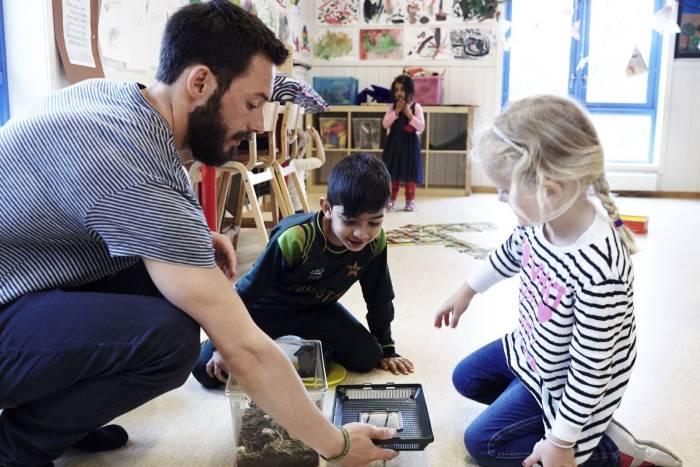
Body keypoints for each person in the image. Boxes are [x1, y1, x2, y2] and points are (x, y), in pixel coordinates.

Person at [0, 2, 399, 466]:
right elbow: (243, 345)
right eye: (252, 104)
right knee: (171, 340)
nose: (256, 124)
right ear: (201, 82)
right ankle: (15, 447)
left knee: (166, 286)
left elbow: (128, 194)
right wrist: (336, 444)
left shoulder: (117, 100)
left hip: (20, 283)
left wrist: (198, 233)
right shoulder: (128, 165)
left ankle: (58, 418)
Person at [434, 95, 682, 467]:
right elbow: (512, 251)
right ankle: (545, 420)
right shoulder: (542, 220)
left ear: (550, 188)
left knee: (482, 443)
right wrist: (467, 289)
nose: (500, 198)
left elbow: (592, 369)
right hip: (534, 353)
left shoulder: (601, 271)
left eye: (504, 188)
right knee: (465, 378)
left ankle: (604, 451)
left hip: (570, 383)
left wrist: (563, 441)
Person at [193, 153, 415, 388]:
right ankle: (257, 345)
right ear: (327, 208)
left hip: (316, 311)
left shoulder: (375, 242)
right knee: (205, 370)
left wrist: (387, 348)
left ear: (386, 212)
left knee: (368, 357)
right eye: (350, 221)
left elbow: (379, 296)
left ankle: (290, 347)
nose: (361, 233)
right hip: (265, 310)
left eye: (374, 222)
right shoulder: (295, 238)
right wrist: (222, 344)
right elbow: (246, 293)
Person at [382, 74, 424, 212]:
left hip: (410, 146)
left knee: (410, 174)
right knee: (392, 173)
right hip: (394, 144)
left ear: (409, 91)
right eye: (396, 90)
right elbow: (385, 124)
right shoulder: (392, 106)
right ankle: (391, 200)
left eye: (402, 89)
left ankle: (410, 200)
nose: (399, 93)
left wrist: (409, 114)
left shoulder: (416, 107)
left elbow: (421, 126)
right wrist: (396, 112)